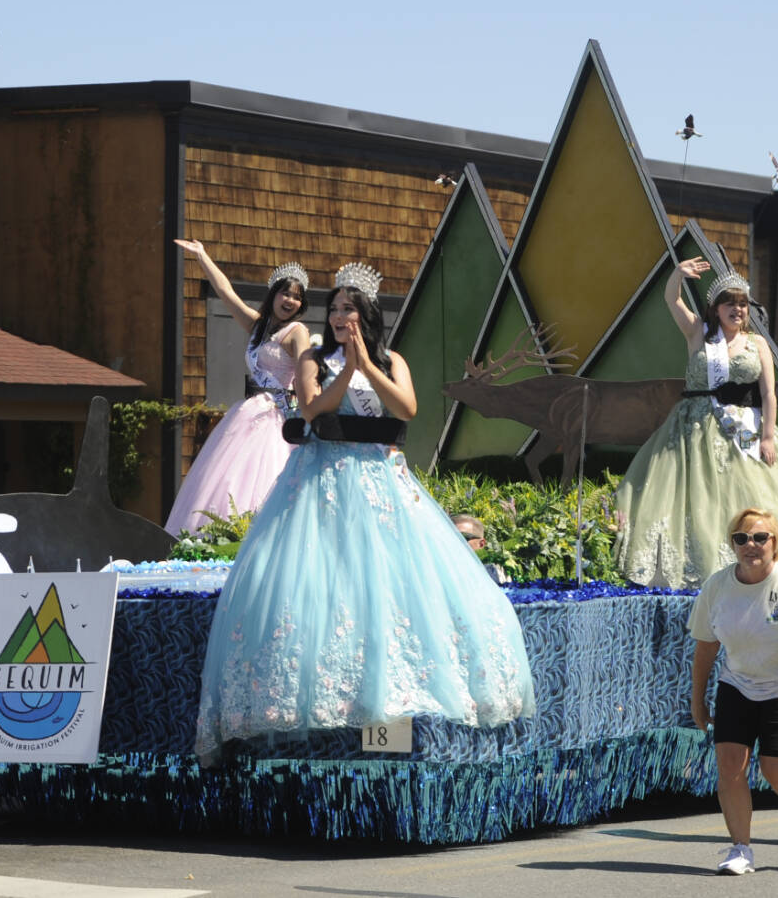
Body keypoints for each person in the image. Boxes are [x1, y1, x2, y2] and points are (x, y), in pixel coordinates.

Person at [194, 263, 535, 765]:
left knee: (389, 585)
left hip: (380, 481)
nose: (337, 316)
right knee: (323, 583)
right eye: (332, 309)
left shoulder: (393, 359)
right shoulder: (313, 358)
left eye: (347, 308)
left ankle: (395, 706)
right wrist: (347, 370)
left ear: (366, 314)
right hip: (322, 478)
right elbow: (312, 409)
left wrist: (368, 367)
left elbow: (407, 409)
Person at [615, 257, 778, 588]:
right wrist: (677, 275)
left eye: (742, 304)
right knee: (694, 496)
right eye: (730, 303)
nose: (737, 309)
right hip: (692, 429)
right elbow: (671, 300)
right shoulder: (698, 332)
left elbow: (768, 393)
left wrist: (767, 436)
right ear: (716, 308)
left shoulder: (758, 344)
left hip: (744, 431)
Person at [688, 508, 778, 875]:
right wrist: (697, 699)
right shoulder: (718, 586)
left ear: (775, 543)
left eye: (760, 538)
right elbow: (706, 648)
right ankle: (740, 849)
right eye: (741, 538)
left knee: (776, 768)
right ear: (732, 544)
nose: (751, 545)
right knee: (730, 766)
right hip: (737, 683)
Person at [165, 240, 312, 535]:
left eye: (296, 297)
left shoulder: (298, 332)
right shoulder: (258, 326)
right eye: (284, 292)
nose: (289, 301)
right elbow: (225, 291)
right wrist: (202, 255)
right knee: (228, 481)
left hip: (278, 419)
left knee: (266, 478)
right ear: (273, 294)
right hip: (249, 413)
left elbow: (309, 374)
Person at [452, 513, 509, 584]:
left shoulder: (493, 575)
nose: (454, 542)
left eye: (462, 537)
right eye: (451, 537)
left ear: (481, 544)